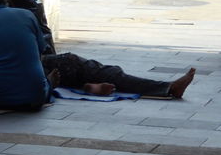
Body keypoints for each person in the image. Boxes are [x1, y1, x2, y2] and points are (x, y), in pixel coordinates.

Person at [42, 52, 195, 98]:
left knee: (106, 73)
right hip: (43, 67)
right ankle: (169, 88)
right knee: (108, 74)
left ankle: (87, 86)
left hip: (48, 65)